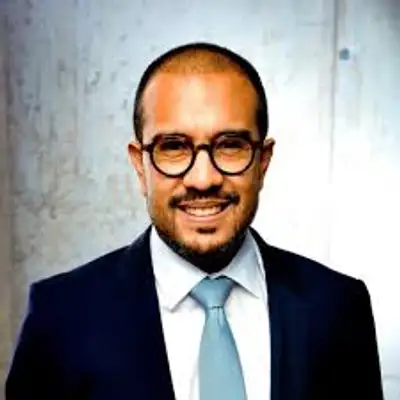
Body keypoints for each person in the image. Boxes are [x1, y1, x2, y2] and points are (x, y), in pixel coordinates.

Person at [5, 42, 383, 400]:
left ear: (263, 162)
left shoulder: (337, 308)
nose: (203, 179)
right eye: (173, 147)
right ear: (140, 165)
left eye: (230, 145)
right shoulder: (60, 318)